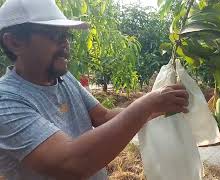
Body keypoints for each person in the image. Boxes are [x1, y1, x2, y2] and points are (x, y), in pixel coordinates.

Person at [0, 0, 189, 179]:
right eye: (54, 35)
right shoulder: (6, 101)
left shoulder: (64, 78)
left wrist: (160, 107)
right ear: (14, 43)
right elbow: (71, 164)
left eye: (67, 36)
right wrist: (145, 105)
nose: (66, 44)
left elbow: (103, 117)